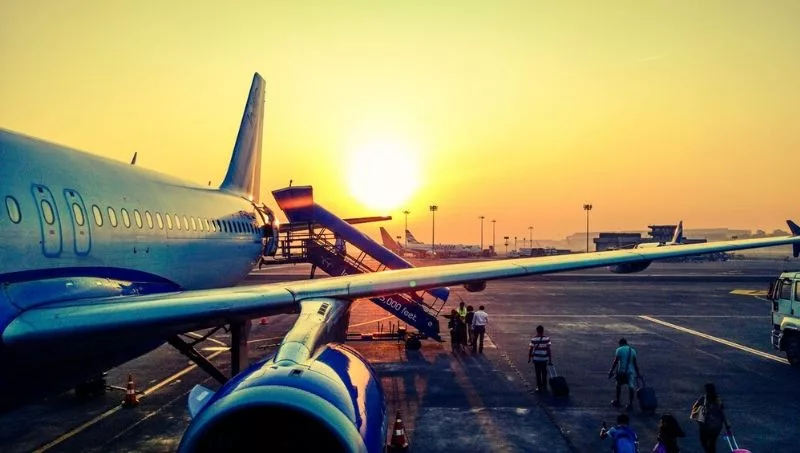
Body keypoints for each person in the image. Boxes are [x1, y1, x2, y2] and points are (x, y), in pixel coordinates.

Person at [690, 383, 729, 453]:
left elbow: (695, 408)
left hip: (705, 424)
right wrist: (726, 424)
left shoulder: (703, 399)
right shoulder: (718, 399)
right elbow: (722, 412)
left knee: (703, 440)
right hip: (717, 425)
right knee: (712, 442)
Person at [607, 338, 640, 409]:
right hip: (631, 371)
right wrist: (638, 374)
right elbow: (635, 363)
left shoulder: (619, 350)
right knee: (631, 387)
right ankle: (630, 404)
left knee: (618, 385)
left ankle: (618, 401)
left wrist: (611, 370)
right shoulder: (633, 350)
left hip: (622, 371)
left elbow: (616, 361)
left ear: (620, 343)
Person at [528, 325, 552, 393]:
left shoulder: (533, 339)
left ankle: (539, 387)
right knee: (544, 373)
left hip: (536, 359)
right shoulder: (547, 339)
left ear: (537, 331)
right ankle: (544, 386)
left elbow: (531, 349)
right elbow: (548, 350)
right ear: (543, 331)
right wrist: (550, 360)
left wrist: (529, 358)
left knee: (538, 373)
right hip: (544, 359)